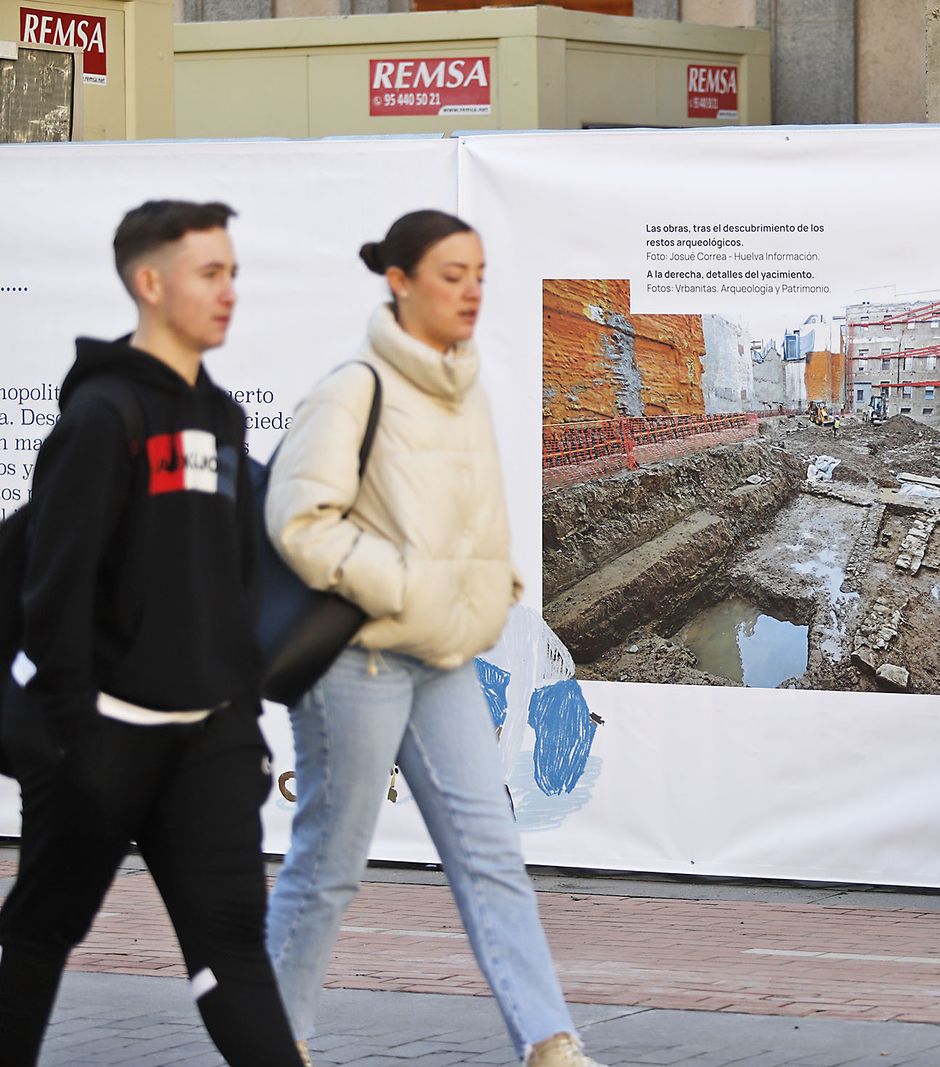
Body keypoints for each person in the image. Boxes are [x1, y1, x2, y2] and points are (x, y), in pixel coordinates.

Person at [263, 210, 604, 1067]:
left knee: (490, 854)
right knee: (330, 862)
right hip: (358, 660)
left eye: (480, 273)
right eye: (451, 274)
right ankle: (276, 1038)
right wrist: (405, 589)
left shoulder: (465, 388)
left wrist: (491, 597)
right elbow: (298, 523)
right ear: (400, 282)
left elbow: (478, 523)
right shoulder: (353, 389)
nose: (471, 291)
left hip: (447, 658)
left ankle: (549, 1042)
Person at [0, 200, 301, 1065]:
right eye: (210, 273)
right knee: (42, 932)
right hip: (98, 740)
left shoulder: (223, 418)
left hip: (204, 741)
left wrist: (240, 728)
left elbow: (231, 592)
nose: (229, 291)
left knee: (234, 950)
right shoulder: (101, 418)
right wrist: (68, 737)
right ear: (149, 282)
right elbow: (53, 590)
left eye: (233, 271)